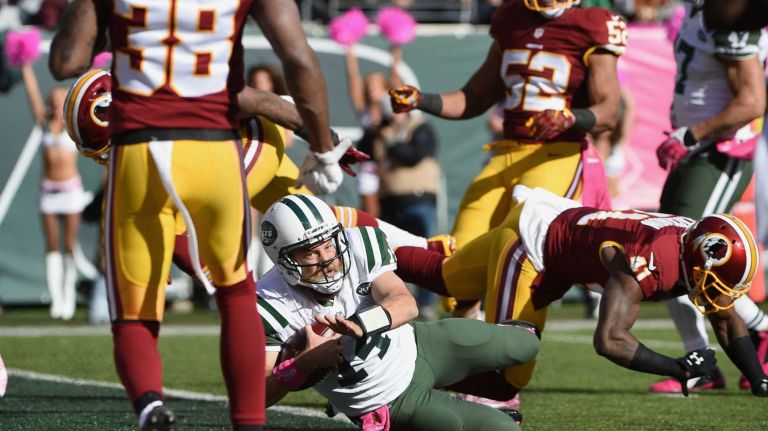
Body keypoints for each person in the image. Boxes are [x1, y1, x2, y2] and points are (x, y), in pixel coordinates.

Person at [48, 1, 346, 430]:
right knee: (236, 294)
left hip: (140, 150)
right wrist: (323, 145)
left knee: (133, 312)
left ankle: (150, 404)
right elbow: (298, 57)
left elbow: (66, 62)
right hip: (215, 149)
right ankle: (248, 422)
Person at [394, 185, 768, 406]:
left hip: (556, 221)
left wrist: (758, 379)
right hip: (536, 249)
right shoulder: (653, 261)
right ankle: (397, 385)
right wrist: (678, 369)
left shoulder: (691, 244)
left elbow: (725, 316)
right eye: (718, 280)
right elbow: (609, 340)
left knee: (446, 278)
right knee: (508, 376)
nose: (721, 294)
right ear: (702, 256)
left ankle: (368, 246)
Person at [388, 0, 624, 319]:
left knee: (526, 252)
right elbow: (474, 97)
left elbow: (609, 110)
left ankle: (514, 356)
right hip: (505, 153)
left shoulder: (592, 23)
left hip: (556, 154)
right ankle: (471, 351)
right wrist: (421, 99)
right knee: (453, 270)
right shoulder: (512, 18)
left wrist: (571, 118)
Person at [257, 194, 540, 431]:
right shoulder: (269, 303)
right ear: (283, 259)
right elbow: (256, 398)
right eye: (310, 253)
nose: (327, 261)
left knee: (527, 343)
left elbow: (405, 303)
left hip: (419, 344)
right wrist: (303, 364)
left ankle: (461, 380)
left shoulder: (358, 244)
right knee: (502, 428)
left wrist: (361, 324)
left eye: (328, 244)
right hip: (388, 398)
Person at [651, 0, 768, 394]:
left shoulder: (731, 18)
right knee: (664, 251)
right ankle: (708, 359)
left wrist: (690, 135)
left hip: (718, 153)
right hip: (696, 149)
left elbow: (752, 101)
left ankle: (707, 362)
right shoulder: (701, 12)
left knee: (685, 256)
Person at [21, 62, 84, 321]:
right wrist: (25, 65)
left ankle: (68, 297)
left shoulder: (72, 126)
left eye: (61, 99)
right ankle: (56, 298)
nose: (56, 104)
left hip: (71, 192)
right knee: (52, 246)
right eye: (53, 99)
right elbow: (33, 94)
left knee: (69, 245)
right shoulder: (44, 124)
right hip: (48, 192)